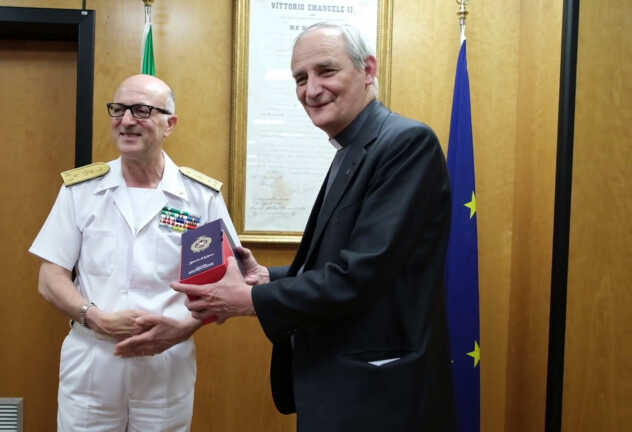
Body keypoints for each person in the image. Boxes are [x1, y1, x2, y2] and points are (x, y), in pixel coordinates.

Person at [172, 23, 456, 431]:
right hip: (338, 385)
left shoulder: (405, 143)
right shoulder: (350, 148)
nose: (311, 89)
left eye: (326, 71)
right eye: (300, 78)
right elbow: (339, 261)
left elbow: (361, 275)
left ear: (368, 69)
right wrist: (267, 278)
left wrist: (249, 300)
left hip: (378, 395)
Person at [29, 74, 238, 432]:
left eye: (141, 110)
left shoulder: (199, 197)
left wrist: (183, 329)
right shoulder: (82, 190)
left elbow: (226, 285)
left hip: (165, 363)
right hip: (93, 357)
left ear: (170, 123)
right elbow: (50, 278)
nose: (126, 120)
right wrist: (96, 318)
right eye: (119, 109)